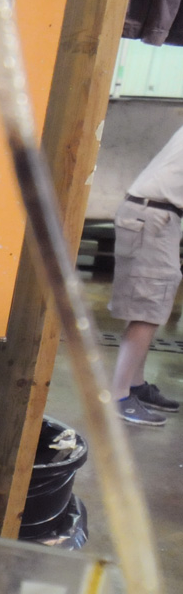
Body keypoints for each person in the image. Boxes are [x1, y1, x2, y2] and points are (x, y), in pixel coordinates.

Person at [109, 125, 183, 426]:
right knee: (148, 309)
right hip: (154, 218)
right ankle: (119, 396)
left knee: (149, 305)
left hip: (155, 216)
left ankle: (135, 385)